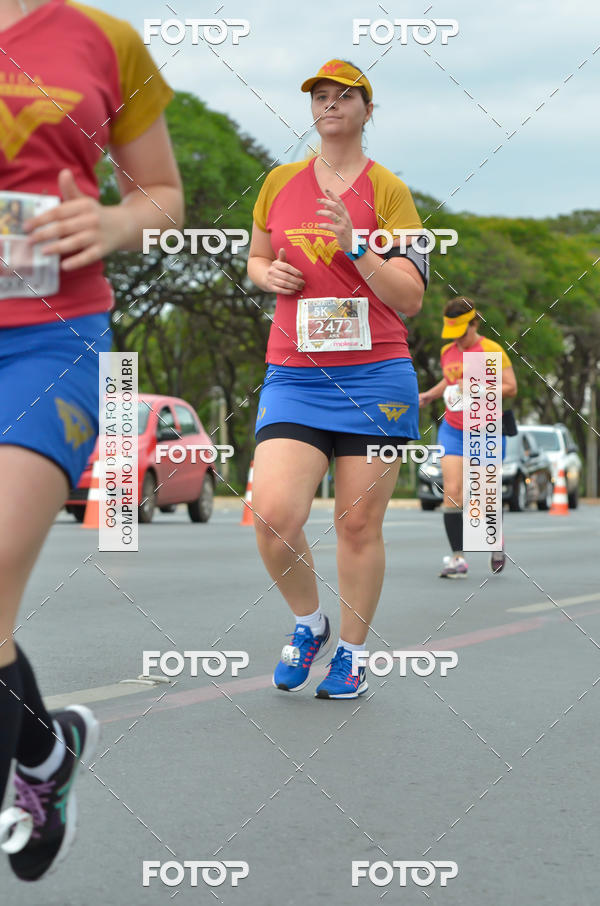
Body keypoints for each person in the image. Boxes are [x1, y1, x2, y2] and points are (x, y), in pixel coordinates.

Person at [0, 0, 183, 880]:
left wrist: (116, 222)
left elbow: (163, 194)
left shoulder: (106, 39)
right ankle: (44, 748)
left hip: (48, 336)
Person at [247, 59, 428, 699]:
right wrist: (266, 276)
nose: (329, 106)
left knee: (357, 526)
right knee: (272, 515)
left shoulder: (392, 192)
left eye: (343, 97)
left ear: (367, 111)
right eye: (320, 97)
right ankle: (308, 624)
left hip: (375, 376)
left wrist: (359, 246)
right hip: (295, 374)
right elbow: (258, 256)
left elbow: (410, 296)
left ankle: (351, 655)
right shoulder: (279, 182)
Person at [419, 297, 517, 578]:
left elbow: (510, 388)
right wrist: (430, 394)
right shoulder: (447, 352)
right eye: (454, 334)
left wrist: (477, 385)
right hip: (452, 428)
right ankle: (457, 558)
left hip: (486, 428)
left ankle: (494, 541)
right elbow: (449, 381)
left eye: (462, 333)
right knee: (452, 492)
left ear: (474, 323)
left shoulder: (490, 349)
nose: (458, 340)